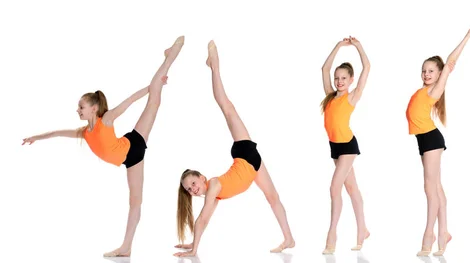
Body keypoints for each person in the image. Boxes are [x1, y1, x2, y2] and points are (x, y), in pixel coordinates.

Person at [22, 36, 186, 257]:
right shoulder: (85, 133)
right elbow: (57, 133)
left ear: (93, 108)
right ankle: (126, 248)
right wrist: (35, 137)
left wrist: (152, 86)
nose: (77, 110)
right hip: (128, 153)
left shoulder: (105, 120)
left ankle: (171, 55)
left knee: (154, 99)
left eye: (81, 107)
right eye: (78, 107)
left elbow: (129, 101)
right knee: (134, 201)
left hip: (133, 149)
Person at [173, 40, 295, 257]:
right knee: (273, 198)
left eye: (192, 183)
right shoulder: (215, 192)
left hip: (245, 155)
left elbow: (201, 218)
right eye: (189, 190)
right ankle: (289, 239)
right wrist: (194, 243)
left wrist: (194, 249)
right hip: (250, 167)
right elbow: (206, 220)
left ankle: (215, 64)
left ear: (202, 178)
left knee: (227, 108)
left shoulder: (214, 186)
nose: (193, 190)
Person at [406, 23, 470, 257]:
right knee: (436, 187)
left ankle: (428, 235)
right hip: (425, 140)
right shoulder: (422, 90)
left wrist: (467, 36)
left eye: (431, 71)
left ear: (439, 74)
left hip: (431, 140)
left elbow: (450, 63)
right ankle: (444, 233)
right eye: (424, 71)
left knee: (429, 188)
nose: (426, 74)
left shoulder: (435, 90)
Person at [319, 36, 371, 254]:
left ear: (350, 81)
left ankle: (332, 235)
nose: (339, 81)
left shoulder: (351, 97)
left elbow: (367, 66)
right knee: (351, 188)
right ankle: (363, 230)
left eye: (344, 78)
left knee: (334, 187)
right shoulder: (330, 97)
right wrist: (339, 46)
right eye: (337, 78)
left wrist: (358, 46)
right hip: (335, 148)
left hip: (348, 146)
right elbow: (324, 68)